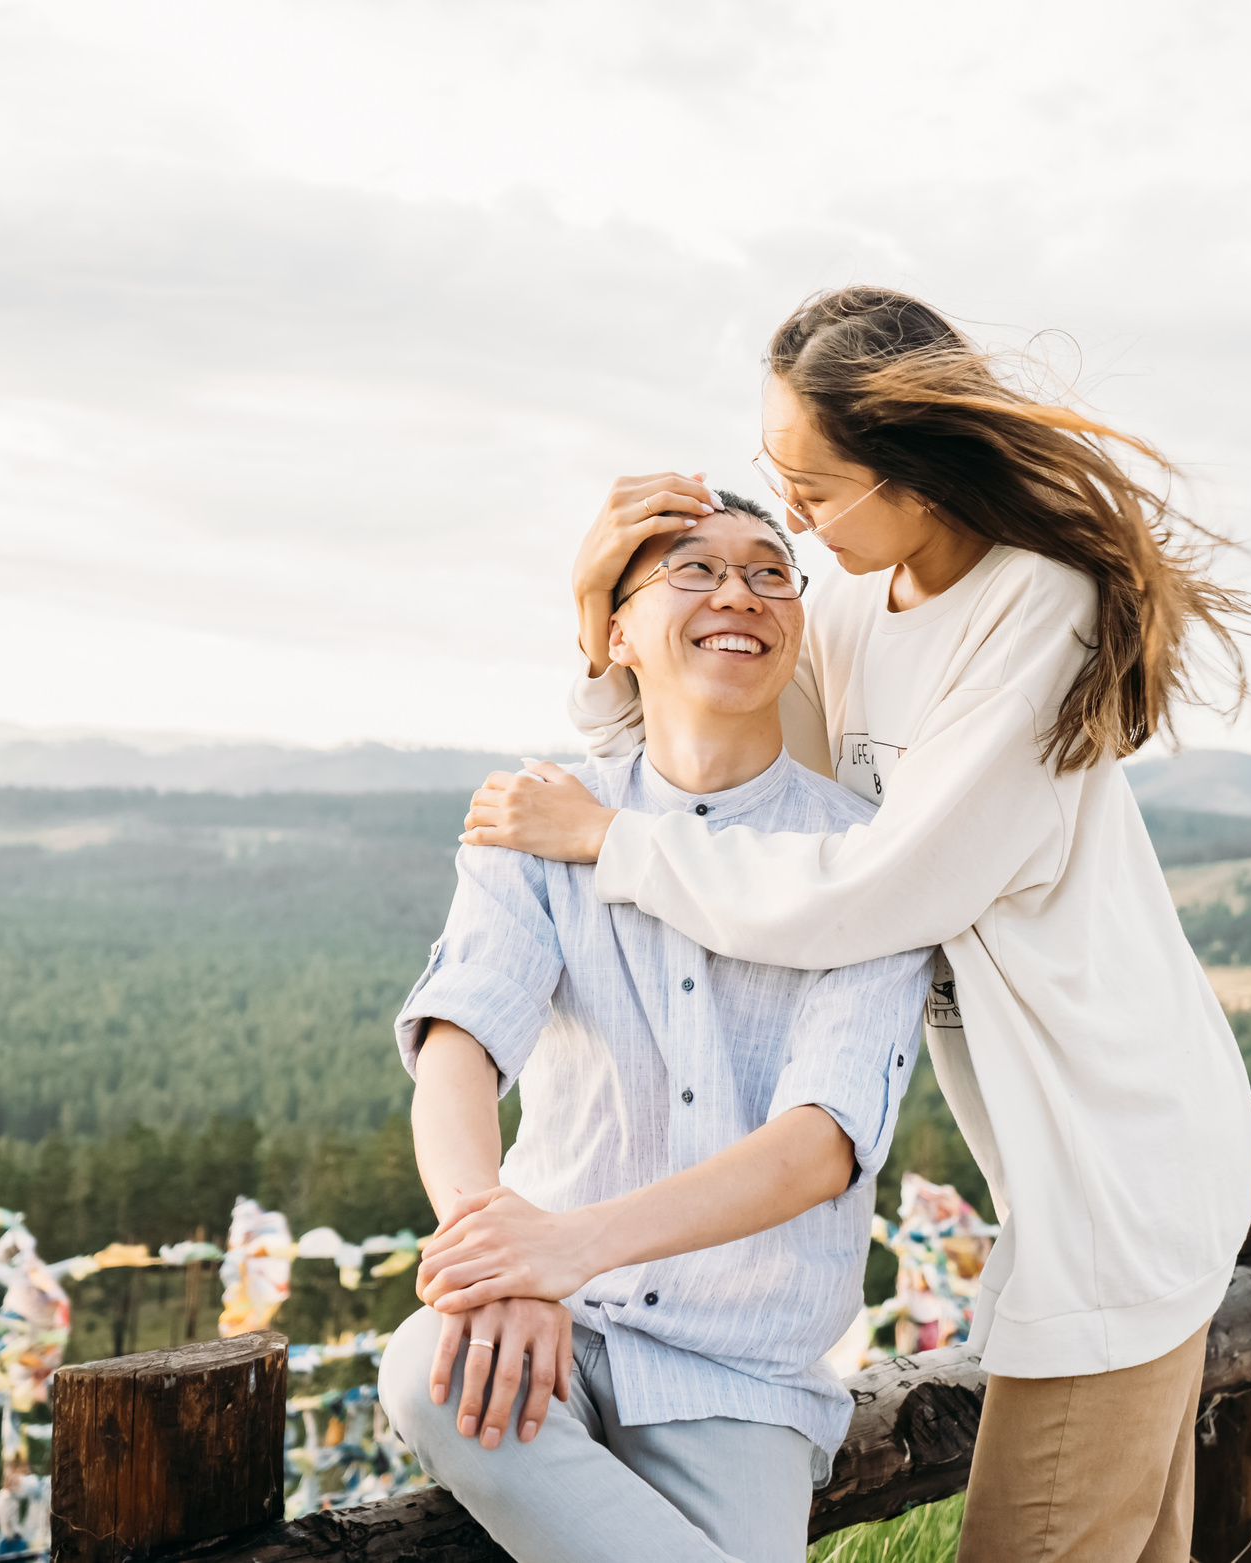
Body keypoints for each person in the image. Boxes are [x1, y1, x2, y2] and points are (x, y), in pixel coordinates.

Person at [459, 286, 1251, 1563]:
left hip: (1117, 1160)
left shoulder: (1036, 610)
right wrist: (597, 625)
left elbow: (866, 892)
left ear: (919, 471)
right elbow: (729, 793)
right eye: (777, 480)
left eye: (818, 491)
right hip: (1058, 1160)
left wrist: (609, 839)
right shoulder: (851, 601)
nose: (794, 520)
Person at [379, 497, 933, 1563]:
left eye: (772, 573)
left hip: (740, 1370)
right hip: (550, 1321)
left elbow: (821, 1142)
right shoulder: (534, 819)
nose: (739, 592)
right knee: (427, 1371)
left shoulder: (867, 861)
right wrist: (499, 1251)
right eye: (694, 570)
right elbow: (459, 1048)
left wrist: (558, 1248)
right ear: (616, 636)